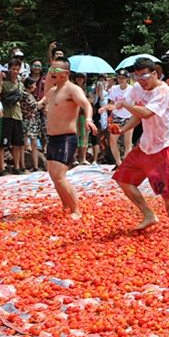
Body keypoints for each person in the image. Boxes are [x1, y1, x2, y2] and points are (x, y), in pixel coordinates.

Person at [109, 57, 169, 234]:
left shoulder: (163, 91)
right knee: (122, 179)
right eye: (137, 77)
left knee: (166, 192)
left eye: (144, 76)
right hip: (145, 146)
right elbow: (138, 115)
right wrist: (123, 128)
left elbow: (146, 113)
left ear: (155, 73)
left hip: (163, 147)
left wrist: (125, 104)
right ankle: (148, 214)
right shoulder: (137, 89)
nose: (141, 81)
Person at [43, 57, 97, 219]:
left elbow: (86, 104)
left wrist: (88, 119)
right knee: (53, 175)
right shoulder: (54, 91)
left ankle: (76, 210)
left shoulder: (72, 90)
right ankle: (65, 204)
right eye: (51, 69)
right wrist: (50, 71)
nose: (53, 72)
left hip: (66, 137)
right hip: (52, 137)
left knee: (59, 176)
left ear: (66, 73)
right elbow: (46, 92)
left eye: (57, 70)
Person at [0, 59, 26, 174]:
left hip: (17, 116)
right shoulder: (4, 83)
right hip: (5, 116)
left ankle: (17, 167)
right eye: (13, 69)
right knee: (2, 144)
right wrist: (0, 80)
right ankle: (2, 168)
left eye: (17, 69)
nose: (15, 71)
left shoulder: (20, 84)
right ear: (9, 69)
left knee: (17, 143)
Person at [105, 69, 134, 169]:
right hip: (116, 116)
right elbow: (111, 102)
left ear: (127, 79)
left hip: (128, 116)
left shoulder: (132, 89)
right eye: (119, 78)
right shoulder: (114, 88)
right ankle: (118, 162)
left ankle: (125, 164)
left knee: (127, 143)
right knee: (113, 141)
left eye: (123, 78)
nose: (121, 80)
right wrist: (106, 108)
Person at [21, 77, 43, 171]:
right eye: (34, 85)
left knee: (34, 144)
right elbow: (34, 106)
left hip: (34, 121)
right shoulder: (25, 95)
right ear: (29, 85)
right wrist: (43, 100)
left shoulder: (31, 95)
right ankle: (22, 166)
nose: (35, 87)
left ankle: (36, 166)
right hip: (27, 121)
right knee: (24, 144)